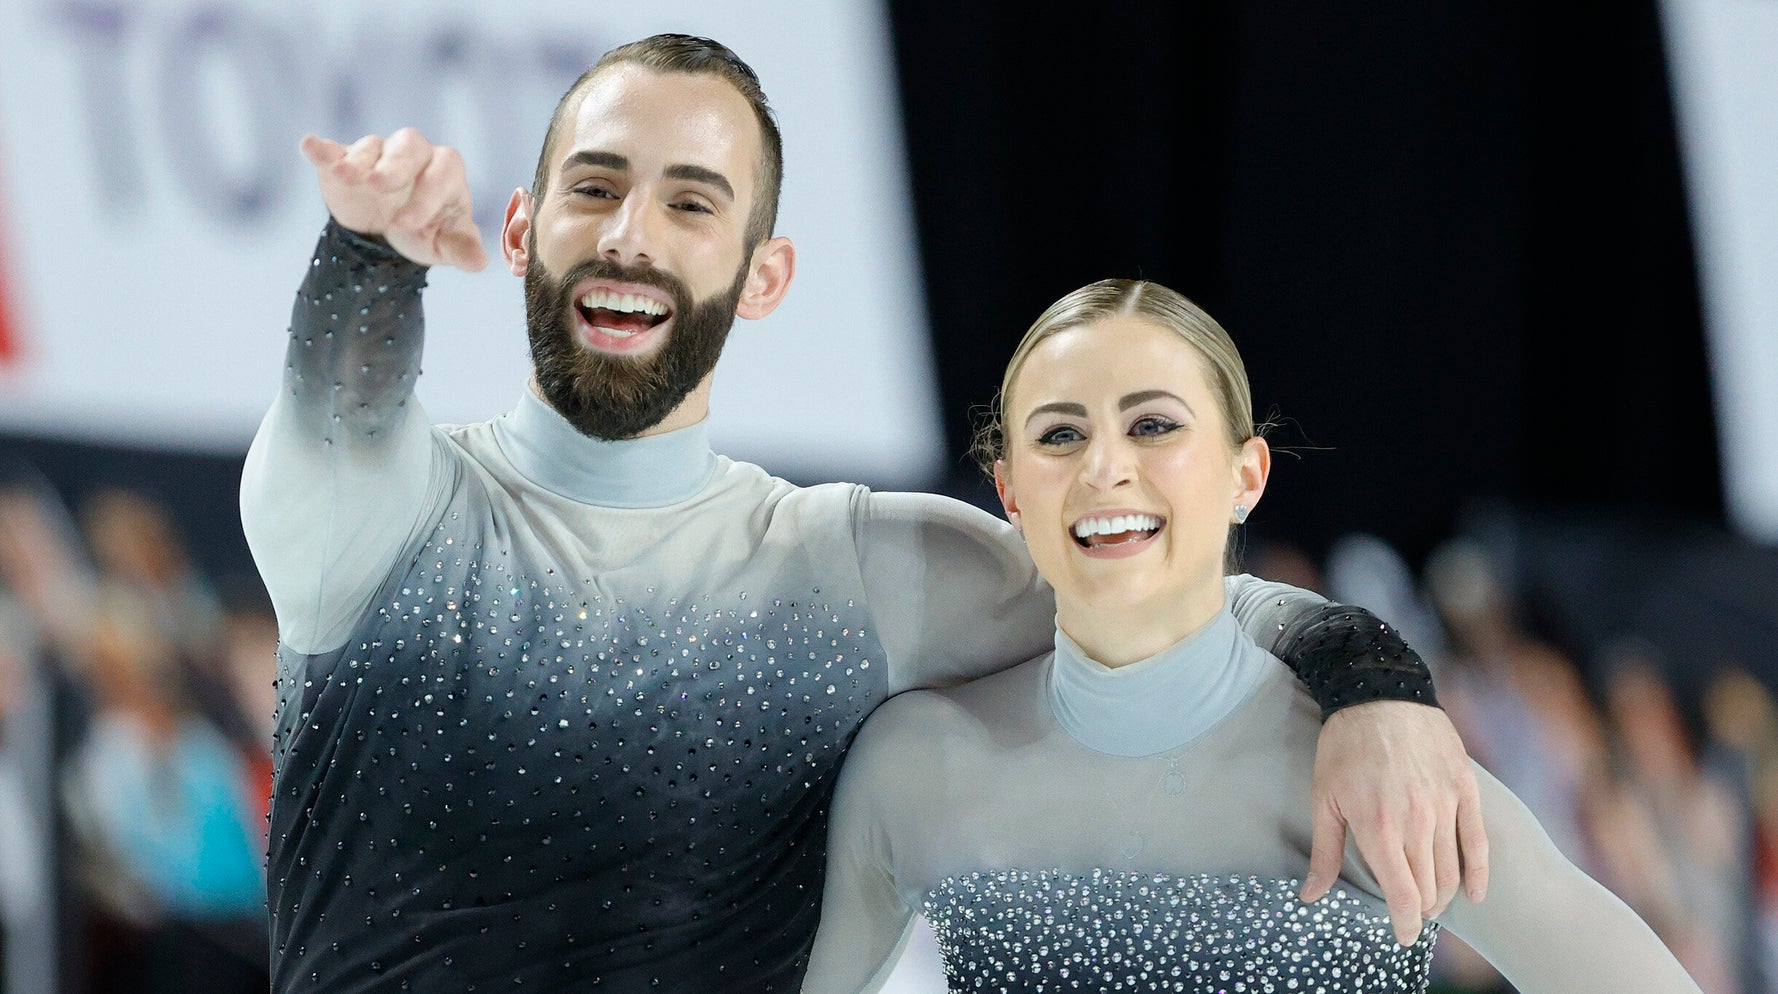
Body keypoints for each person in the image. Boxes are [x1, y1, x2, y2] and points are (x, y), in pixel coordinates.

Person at [241, 34, 1483, 992]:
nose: (629, 234)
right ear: (522, 229)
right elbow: (339, 405)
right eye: (594, 187)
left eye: (690, 203)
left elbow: (1160, 601)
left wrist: (1369, 677)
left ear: (762, 275)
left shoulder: (854, 573)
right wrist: (368, 253)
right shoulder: (385, 515)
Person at [804, 279, 1702, 993]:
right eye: (1060, 434)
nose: (1105, 466)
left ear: (1247, 474)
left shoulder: (1374, 771)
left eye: (1153, 425)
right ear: (1009, 493)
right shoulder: (912, 766)